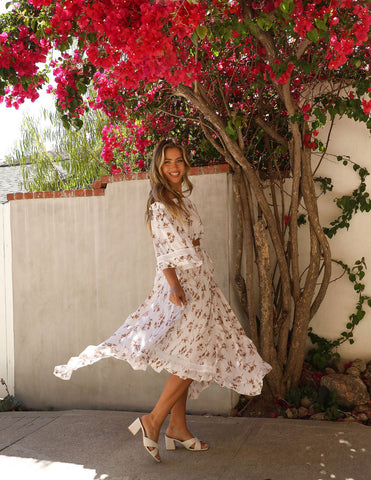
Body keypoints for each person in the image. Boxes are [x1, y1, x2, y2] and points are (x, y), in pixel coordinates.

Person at [54, 139, 272, 463]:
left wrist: (202, 281)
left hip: (201, 285)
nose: (174, 166)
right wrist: (174, 286)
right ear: (159, 166)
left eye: (179, 160)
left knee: (186, 355)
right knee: (190, 355)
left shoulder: (184, 201)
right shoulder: (159, 204)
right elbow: (163, 253)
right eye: (168, 161)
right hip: (182, 288)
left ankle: (178, 428)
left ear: (184, 164)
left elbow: (195, 243)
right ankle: (153, 421)